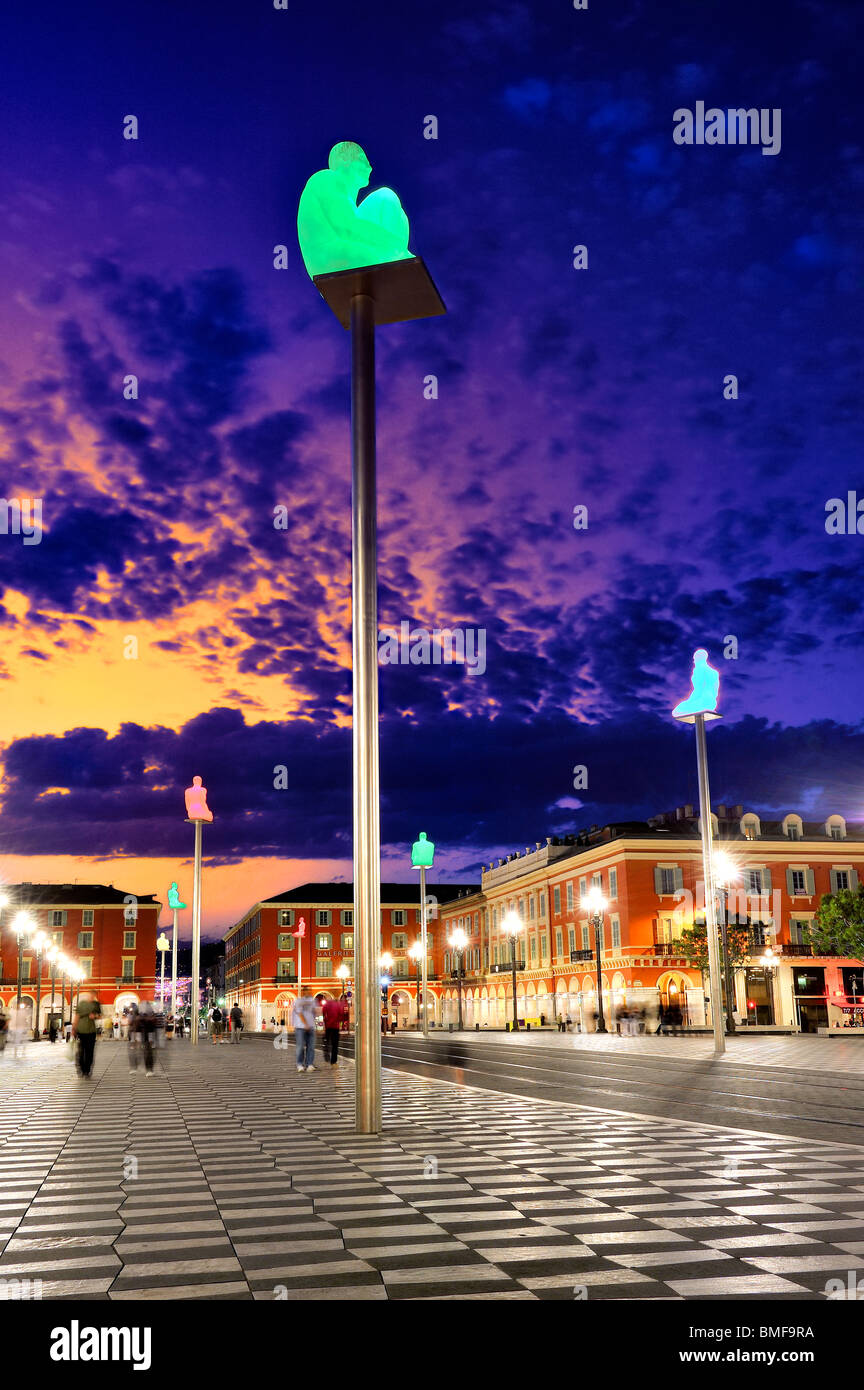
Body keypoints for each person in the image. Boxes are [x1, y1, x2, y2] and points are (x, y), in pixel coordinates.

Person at [72, 991, 102, 1079]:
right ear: (88, 995)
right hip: (81, 1030)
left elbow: (100, 1016)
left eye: (94, 995)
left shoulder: (96, 1004)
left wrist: (95, 1016)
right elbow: (77, 1016)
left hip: (91, 1031)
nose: (92, 997)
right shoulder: (81, 1004)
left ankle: (87, 1071)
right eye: (91, 995)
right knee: (81, 1051)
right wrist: (74, 1028)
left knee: (90, 1052)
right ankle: (81, 1069)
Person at [292, 989, 319, 1073]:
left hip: (311, 1027)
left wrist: (315, 1024)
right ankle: (300, 1064)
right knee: (300, 1047)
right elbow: (299, 1013)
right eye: (307, 991)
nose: (309, 992)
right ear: (303, 992)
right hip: (300, 1027)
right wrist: (305, 1024)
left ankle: (309, 1064)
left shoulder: (313, 1001)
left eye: (310, 991)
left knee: (311, 1047)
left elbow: (315, 1012)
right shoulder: (298, 1001)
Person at [321, 996, 345, 1067]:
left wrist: (326, 1022)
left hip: (328, 1027)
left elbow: (324, 1015)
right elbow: (341, 1014)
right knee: (335, 1045)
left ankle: (326, 1054)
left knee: (326, 1042)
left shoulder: (325, 1005)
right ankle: (333, 1062)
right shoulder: (338, 1005)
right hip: (335, 1027)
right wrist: (339, 1022)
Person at [137, 1001, 158, 1075]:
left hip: (149, 1035)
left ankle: (150, 1069)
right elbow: (139, 1026)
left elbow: (153, 1025)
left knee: (149, 1053)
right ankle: (149, 1069)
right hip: (146, 1036)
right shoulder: (142, 1015)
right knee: (147, 1053)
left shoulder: (151, 1015)